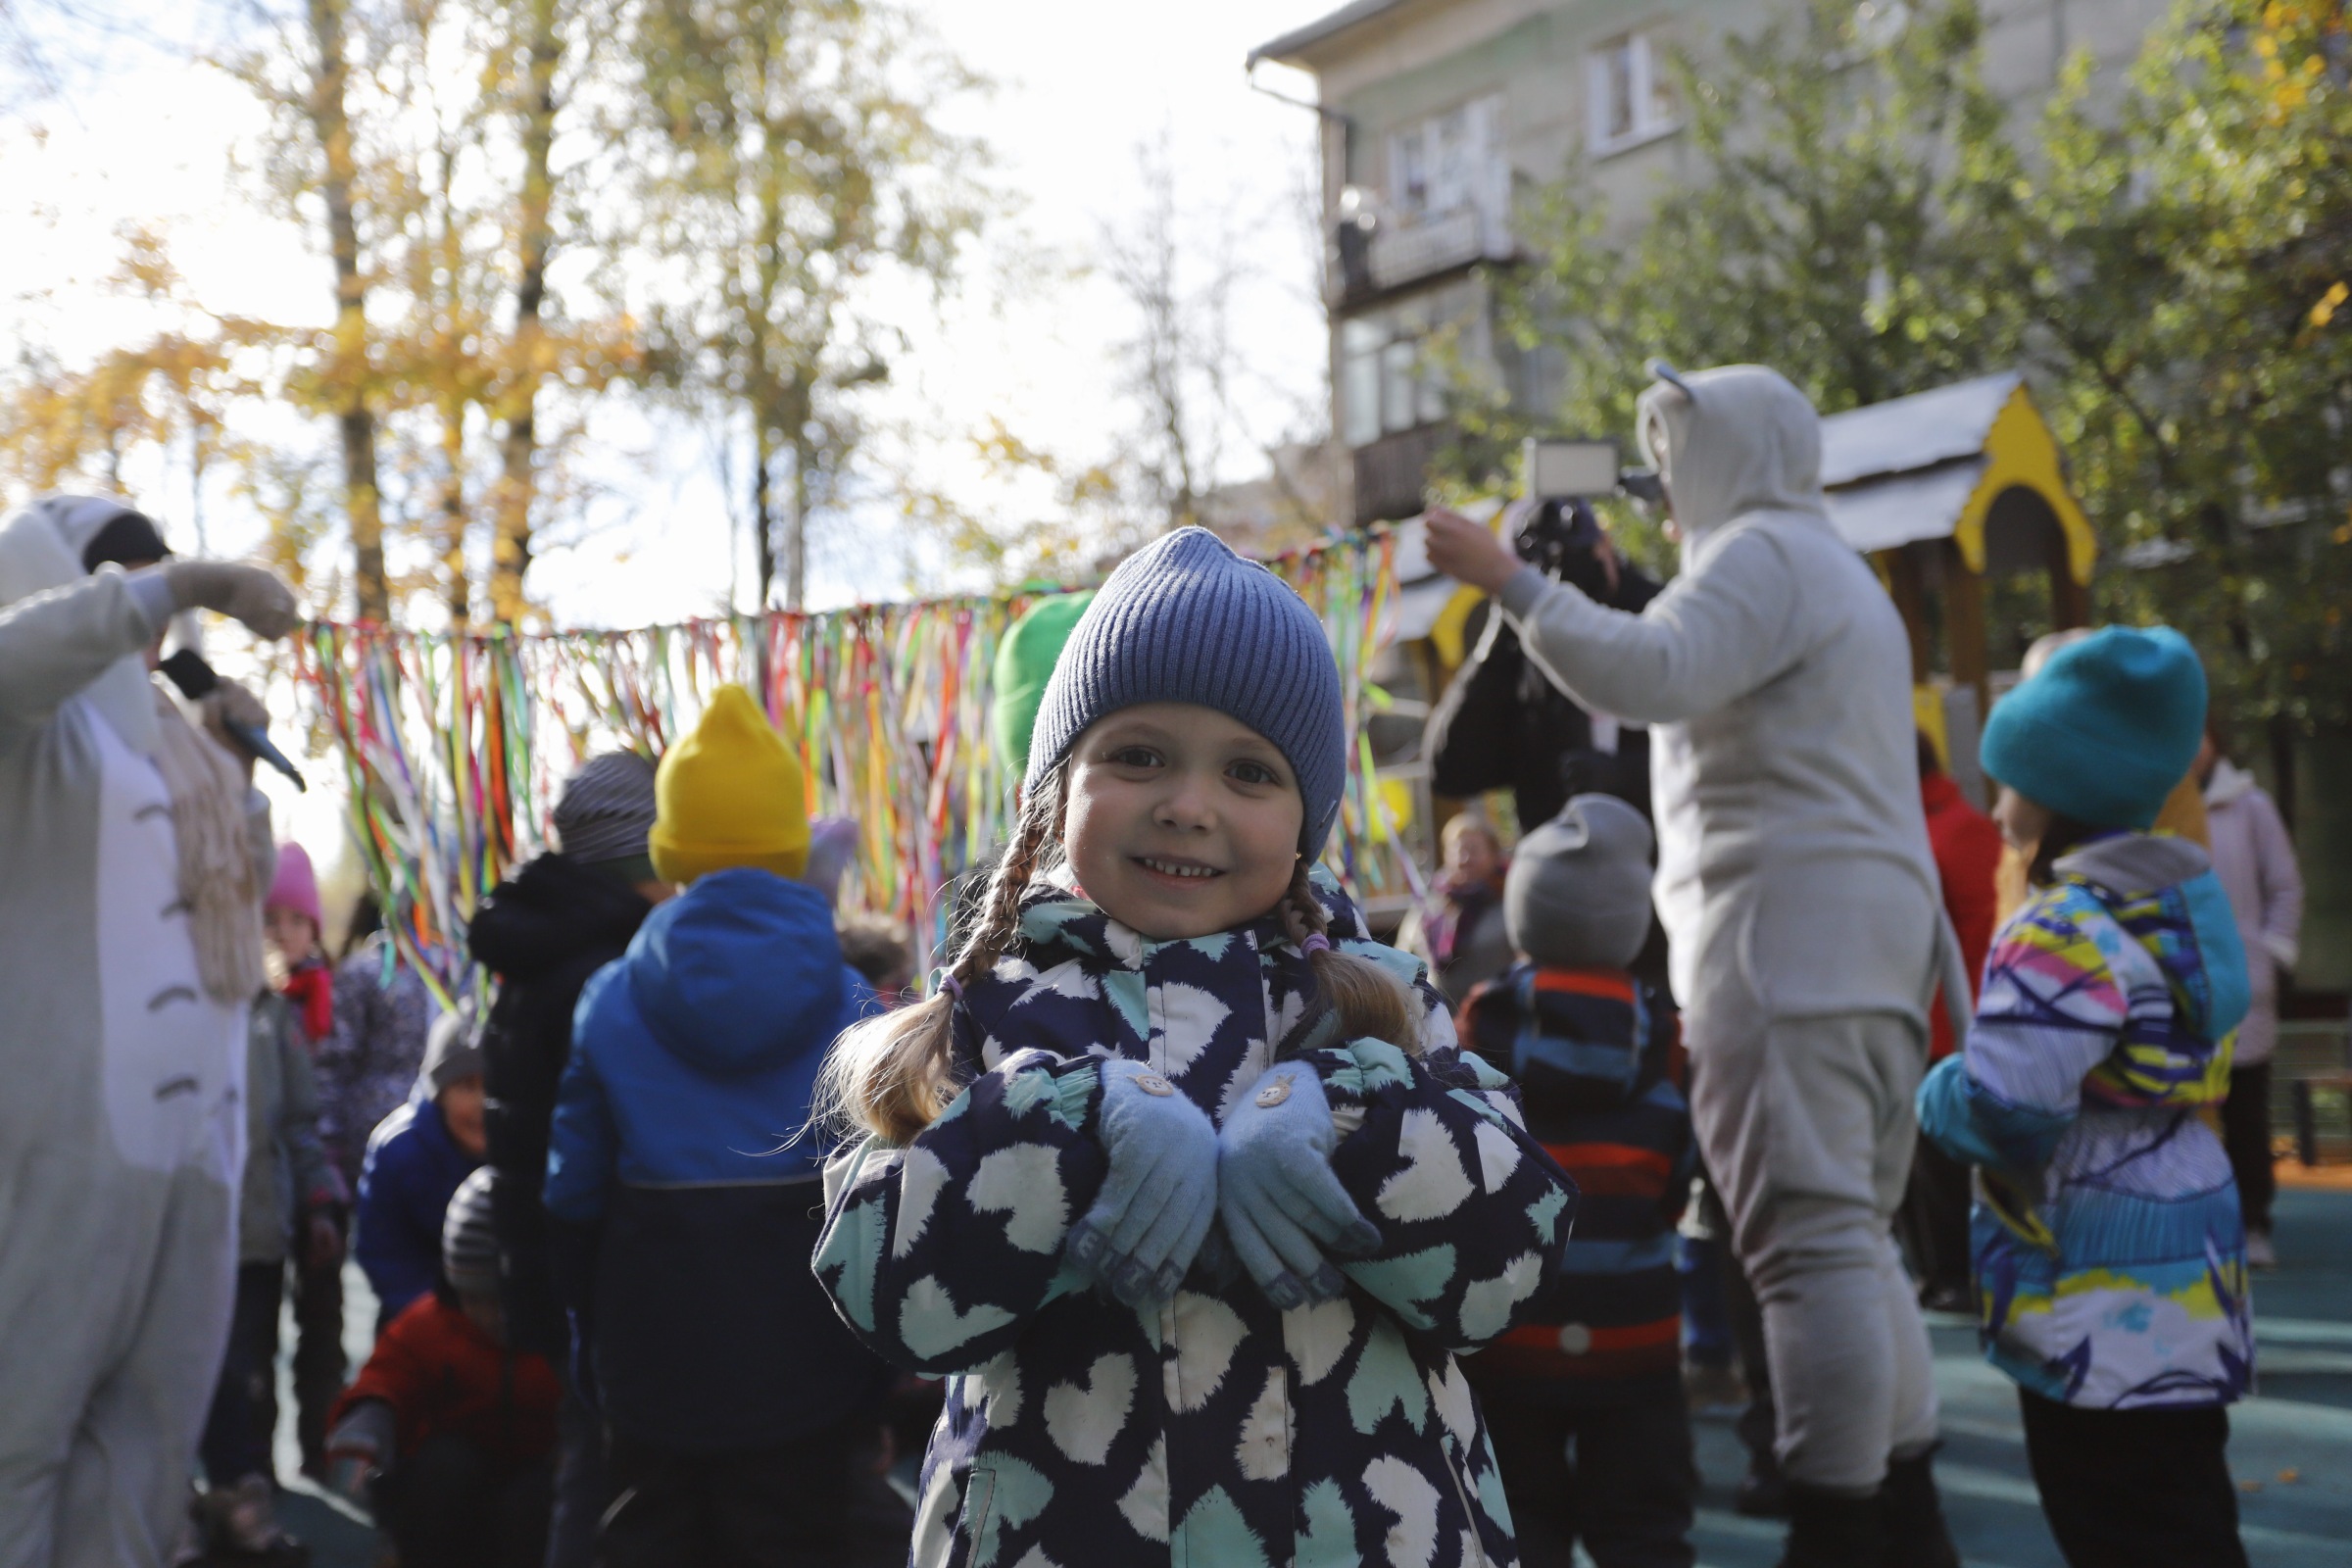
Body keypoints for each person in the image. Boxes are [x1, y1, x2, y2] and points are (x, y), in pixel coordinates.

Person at [812, 526, 1580, 1565]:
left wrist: (1346, 1127)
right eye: (1138, 756)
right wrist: (1073, 1128)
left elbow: (1508, 1270)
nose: (1188, 804)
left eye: (1249, 772)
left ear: (1307, 822)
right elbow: (889, 1293)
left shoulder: (1376, 1003)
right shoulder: (990, 1011)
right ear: (1055, 790)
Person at [1426, 364, 1959, 1567]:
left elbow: (1649, 673)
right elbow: (1673, 658)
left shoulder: (1761, 557)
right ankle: (1903, 1513)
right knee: (1854, 1239)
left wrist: (1503, 578)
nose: (1660, 491)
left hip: (1788, 942)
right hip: (1861, 942)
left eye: (1670, 461)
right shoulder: (1831, 569)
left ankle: (1839, 1525)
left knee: (1807, 1248)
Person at [0, 496, 299, 1568]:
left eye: (154, 577)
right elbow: (19, 654)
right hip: (68, 1139)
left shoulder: (171, 736)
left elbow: (241, 902)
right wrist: (176, 587)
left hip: (193, 1150)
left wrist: (237, 772)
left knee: (149, 1445)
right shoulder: (33, 715)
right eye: (121, 578)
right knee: (18, 1437)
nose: (149, 616)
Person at [1918, 626, 2253, 1568]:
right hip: (2191, 1272)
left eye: (2011, 774)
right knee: (2189, 1516)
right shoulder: (2187, 903)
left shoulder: (2061, 928)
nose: (1997, 797)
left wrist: (1933, 1088)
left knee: (2111, 1524)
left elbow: (2006, 1111)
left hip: (2094, 1298)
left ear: (2060, 786)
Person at [545, 686, 894, 1566]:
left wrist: (589, 1336)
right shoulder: (852, 1002)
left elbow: (572, 1192)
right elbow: (876, 1199)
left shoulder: (613, 997)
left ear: (673, 848)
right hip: (806, 1359)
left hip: (650, 1348)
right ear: (789, 844)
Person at [1455, 795, 1697, 1568]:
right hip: (1637, 1337)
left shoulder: (1475, 1027)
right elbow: (1678, 1178)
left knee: (1522, 1522)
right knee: (1644, 1529)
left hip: (1508, 1333)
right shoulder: (1664, 1037)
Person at [468, 749, 669, 1567]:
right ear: (642, 857)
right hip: (605, 1270)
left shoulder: (546, 946)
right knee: (613, 1486)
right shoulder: (609, 968)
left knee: (589, 1472)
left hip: (551, 1263)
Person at [325, 1168, 562, 1568]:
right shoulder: (432, 1325)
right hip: (456, 1497)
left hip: (541, 1489)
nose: (492, 1316)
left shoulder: (569, 1338)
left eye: (505, 1299)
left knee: (541, 1499)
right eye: (477, 1298)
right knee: (443, 1467)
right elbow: (388, 1377)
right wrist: (368, 1423)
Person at [194, 970, 345, 1556]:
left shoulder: (271, 1016)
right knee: (177, 1371)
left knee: (248, 1369)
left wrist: (317, 1200)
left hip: (254, 1233)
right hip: (181, 1233)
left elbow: (298, 1123)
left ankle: (245, 1508)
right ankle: (176, 1510)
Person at [1900, 732, 2002, 1312]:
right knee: (1923, 1164)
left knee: (1940, 1163)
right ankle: (1938, 1273)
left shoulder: (1952, 829)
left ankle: (1954, 1274)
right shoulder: (1938, 823)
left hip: (1945, 1024)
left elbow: (1977, 937)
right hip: (1930, 1018)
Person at [261, 839, 352, 1475]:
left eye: (296, 920)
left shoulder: (335, 995)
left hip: (326, 1175)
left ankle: (321, 1443)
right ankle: (251, 1468)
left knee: (322, 1324)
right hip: (265, 1184)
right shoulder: (251, 1002)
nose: (285, 933)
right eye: (272, 920)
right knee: (253, 1328)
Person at [2198, 723, 2303, 1268]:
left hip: (2245, 985)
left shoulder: (2250, 807)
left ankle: (2253, 1221)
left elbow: (2284, 885)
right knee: (2188, 1112)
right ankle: (2206, 1224)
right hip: (2185, 989)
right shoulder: (2158, 808)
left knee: (2245, 1109)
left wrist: (2273, 954)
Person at [356, 1005, 488, 1329]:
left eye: (494, 1086)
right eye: (466, 1087)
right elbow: (386, 1254)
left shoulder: (521, 1145)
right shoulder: (398, 1150)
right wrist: (441, 1324)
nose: (481, 1104)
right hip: (417, 1320)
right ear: (439, 1094)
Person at [318, 893, 437, 1193]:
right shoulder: (364, 973)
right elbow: (333, 1064)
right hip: (370, 1143)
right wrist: (329, 1151)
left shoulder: (455, 972)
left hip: (439, 1141)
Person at [1396, 809, 1515, 1004]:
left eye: (1474, 850)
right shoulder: (1430, 906)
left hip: (1495, 1019)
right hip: (1436, 1023)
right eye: (1458, 850)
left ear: (1494, 855)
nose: (1465, 858)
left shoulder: (1508, 901)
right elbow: (1403, 958)